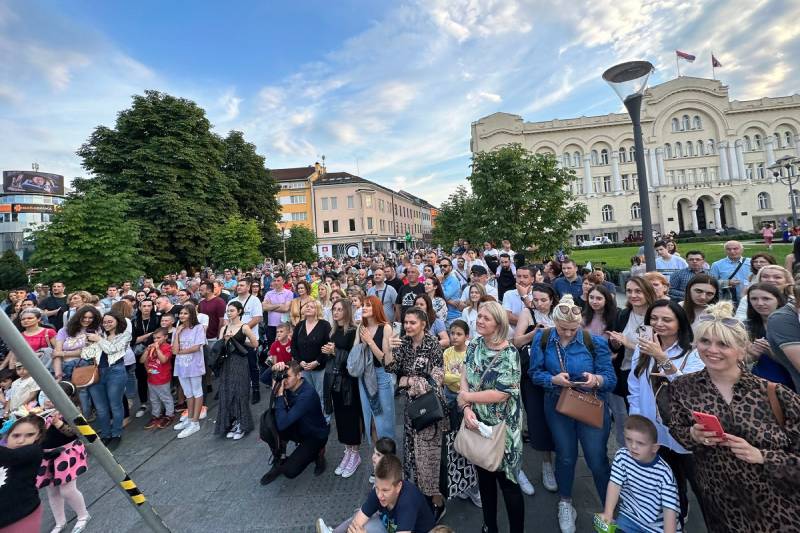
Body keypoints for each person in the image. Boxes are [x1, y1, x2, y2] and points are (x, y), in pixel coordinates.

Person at [668, 301, 800, 532]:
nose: (712, 350)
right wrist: (693, 434)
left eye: (723, 344)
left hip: (777, 506)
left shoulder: (775, 394)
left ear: (742, 349)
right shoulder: (682, 387)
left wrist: (762, 456)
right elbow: (677, 429)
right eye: (705, 341)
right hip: (719, 504)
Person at [530, 294, 616, 533]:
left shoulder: (594, 342)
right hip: (558, 404)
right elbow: (534, 373)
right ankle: (565, 502)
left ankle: (609, 509)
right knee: (566, 455)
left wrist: (596, 380)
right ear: (554, 324)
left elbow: (610, 379)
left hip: (590, 403)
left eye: (572, 329)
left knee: (596, 458)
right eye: (562, 329)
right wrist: (552, 379)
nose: (567, 333)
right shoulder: (544, 338)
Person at [627, 300, 704, 526]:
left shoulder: (693, 351)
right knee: (667, 477)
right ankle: (678, 515)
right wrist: (637, 416)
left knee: (697, 479)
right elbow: (634, 382)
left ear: (680, 323)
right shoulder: (644, 347)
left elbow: (687, 387)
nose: (659, 324)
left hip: (684, 428)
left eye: (667, 320)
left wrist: (661, 357)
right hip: (653, 426)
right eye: (654, 319)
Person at [458, 301, 524, 532]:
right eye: (479, 317)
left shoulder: (509, 353)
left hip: (503, 428)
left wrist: (467, 397)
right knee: (484, 479)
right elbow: (465, 373)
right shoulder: (475, 344)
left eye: (486, 318)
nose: (479, 321)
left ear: (498, 323)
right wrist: (466, 407)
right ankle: (490, 526)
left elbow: (501, 393)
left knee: (508, 483)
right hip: (477, 422)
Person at [389, 307, 448, 522]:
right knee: (412, 456)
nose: (408, 326)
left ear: (423, 324)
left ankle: (437, 502)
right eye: (406, 322)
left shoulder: (432, 344)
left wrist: (410, 381)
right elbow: (392, 370)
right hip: (410, 411)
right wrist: (388, 349)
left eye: (412, 322)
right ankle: (418, 500)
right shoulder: (403, 343)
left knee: (429, 460)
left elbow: (438, 376)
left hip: (430, 410)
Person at [512, 282, 558, 494]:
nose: (539, 304)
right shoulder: (527, 313)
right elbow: (517, 341)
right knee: (538, 417)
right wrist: (535, 333)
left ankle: (560, 457)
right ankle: (546, 463)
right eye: (535, 299)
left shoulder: (560, 312)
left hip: (558, 372)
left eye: (543, 300)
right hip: (533, 373)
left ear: (552, 299)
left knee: (559, 417)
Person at [598, 415, 679, 533]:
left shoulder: (664, 474)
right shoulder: (622, 457)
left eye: (640, 443)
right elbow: (614, 485)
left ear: (654, 448)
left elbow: (669, 510)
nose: (633, 447)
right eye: (629, 440)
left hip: (657, 526)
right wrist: (608, 513)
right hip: (629, 515)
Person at [316, 454, 435, 533]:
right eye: (377, 488)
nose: (379, 495)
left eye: (385, 490)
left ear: (398, 486)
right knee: (359, 516)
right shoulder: (379, 490)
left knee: (367, 526)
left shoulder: (408, 502)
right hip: (390, 524)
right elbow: (357, 523)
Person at [260, 360, 330, 485]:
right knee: (267, 426)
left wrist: (280, 395)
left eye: (288, 376)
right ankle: (279, 459)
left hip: (314, 435)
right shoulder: (287, 385)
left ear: (299, 376)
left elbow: (283, 424)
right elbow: (263, 379)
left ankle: (318, 453)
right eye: (283, 376)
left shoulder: (307, 394)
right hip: (297, 426)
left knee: (290, 471)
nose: (284, 380)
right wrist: (273, 368)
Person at [608, 277, 657, 448]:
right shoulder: (623, 314)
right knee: (633, 414)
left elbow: (654, 349)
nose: (633, 295)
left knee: (651, 417)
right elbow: (615, 347)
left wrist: (628, 343)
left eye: (638, 291)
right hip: (626, 371)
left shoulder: (656, 316)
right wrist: (615, 343)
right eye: (629, 291)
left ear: (648, 292)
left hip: (649, 375)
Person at [37, 382, 92, 533]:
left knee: (67, 490)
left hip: (66, 452)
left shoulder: (71, 410)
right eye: (47, 395)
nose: (48, 399)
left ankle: (83, 515)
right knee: (52, 491)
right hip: (47, 454)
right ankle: (60, 522)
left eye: (53, 396)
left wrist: (57, 422)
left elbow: (73, 432)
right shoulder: (43, 410)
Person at [322, 299, 362, 478]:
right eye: (334, 309)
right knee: (340, 417)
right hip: (334, 379)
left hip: (349, 381)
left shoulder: (353, 331)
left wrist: (334, 352)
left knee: (350, 416)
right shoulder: (333, 331)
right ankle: (347, 451)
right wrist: (328, 352)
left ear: (346, 311)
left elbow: (354, 358)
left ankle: (355, 453)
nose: (336, 312)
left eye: (339, 309)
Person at [85, 310, 131, 449]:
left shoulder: (124, 335)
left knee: (115, 404)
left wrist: (98, 340)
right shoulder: (99, 335)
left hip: (115, 371)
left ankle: (116, 433)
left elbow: (113, 350)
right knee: (100, 407)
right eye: (104, 322)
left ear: (118, 321)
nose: (106, 324)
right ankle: (105, 434)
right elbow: (88, 355)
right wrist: (89, 344)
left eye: (110, 321)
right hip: (97, 372)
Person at [354, 294, 396, 445]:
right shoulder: (361, 327)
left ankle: (389, 460)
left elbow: (386, 361)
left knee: (384, 421)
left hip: (381, 376)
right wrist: (360, 343)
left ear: (377, 307)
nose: (364, 307)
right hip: (364, 377)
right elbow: (355, 355)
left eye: (368, 305)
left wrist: (370, 342)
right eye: (363, 305)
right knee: (370, 419)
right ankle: (377, 459)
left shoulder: (385, 327)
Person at [215, 301, 259, 440]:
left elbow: (255, 343)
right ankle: (232, 422)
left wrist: (239, 343)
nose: (229, 313)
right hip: (226, 363)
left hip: (240, 362)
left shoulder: (244, 327)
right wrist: (226, 341)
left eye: (232, 310)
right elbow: (218, 347)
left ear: (239, 312)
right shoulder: (224, 328)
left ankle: (242, 424)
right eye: (228, 311)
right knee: (227, 392)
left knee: (240, 392)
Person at [0, 415, 46, 532]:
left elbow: (12, 457)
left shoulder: (34, 451)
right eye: (15, 435)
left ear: (38, 436)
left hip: (22, 515)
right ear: (7, 437)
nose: (21, 440)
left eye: (29, 435)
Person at [292, 300, 332, 420]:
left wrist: (317, 362)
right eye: (307, 306)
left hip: (320, 368)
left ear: (317, 310)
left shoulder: (324, 325)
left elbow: (328, 346)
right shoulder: (299, 325)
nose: (308, 308)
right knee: (308, 395)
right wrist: (300, 361)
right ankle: (313, 418)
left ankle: (325, 419)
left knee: (321, 394)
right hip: (304, 368)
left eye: (312, 307)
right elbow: (293, 346)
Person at [171, 305, 207, 439]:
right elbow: (174, 350)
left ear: (191, 315)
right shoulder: (178, 329)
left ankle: (195, 422)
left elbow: (197, 347)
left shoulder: (198, 328)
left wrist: (180, 352)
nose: (182, 316)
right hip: (181, 366)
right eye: (181, 313)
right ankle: (190, 416)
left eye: (185, 313)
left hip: (194, 365)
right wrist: (177, 334)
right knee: (188, 393)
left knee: (197, 392)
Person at [141, 327, 175, 429]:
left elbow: (164, 360)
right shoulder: (150, 348)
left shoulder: (167, 347)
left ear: (165, 337)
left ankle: (169, 415)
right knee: (153, 399)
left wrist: (157, 349)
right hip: (152, 379)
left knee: (166, 398)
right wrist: (147, 350)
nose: (156, 340)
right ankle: (156, 415)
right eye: (154, 338)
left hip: (163, 379)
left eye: (158, 338)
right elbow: (142, 361)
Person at [709, 240, 750, 305]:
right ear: (725, 251)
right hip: (727, 301)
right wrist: (727, 283)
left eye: (735, 249)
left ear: (742, 250)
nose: (732, 251)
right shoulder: (717, 265)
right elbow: (711, 283)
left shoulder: (751, 262)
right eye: (728, 249)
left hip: (749, 298)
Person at [262, 273, 293, 347]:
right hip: (271, 325)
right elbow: (264, 307)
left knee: (284, 348)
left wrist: (271, 306)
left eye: (278, 280)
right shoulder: (269, 293)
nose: (276, 282)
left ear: (283, 281)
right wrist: (280, 305)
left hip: (283, 325)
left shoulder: (289, 293)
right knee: (272, 347)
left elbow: (286, 308)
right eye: (274, 280)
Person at [395, 264, 425, 328]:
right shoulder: (403, 288)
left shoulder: (423, 287)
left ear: (418, 274)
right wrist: (399, 320)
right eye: (408, 272)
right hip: (404, 323)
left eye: (413, 272)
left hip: (418, 323)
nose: (410, 274)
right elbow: (398, 305)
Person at [438, 257, 463, 325]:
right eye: (440, 266)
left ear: (451, 267)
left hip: (453, 317)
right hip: (442, 317)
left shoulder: (453, 280)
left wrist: (440, 283)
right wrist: (450, 301)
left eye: (445, 266)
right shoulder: (442, 279)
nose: (442, 267)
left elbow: (444, 296)